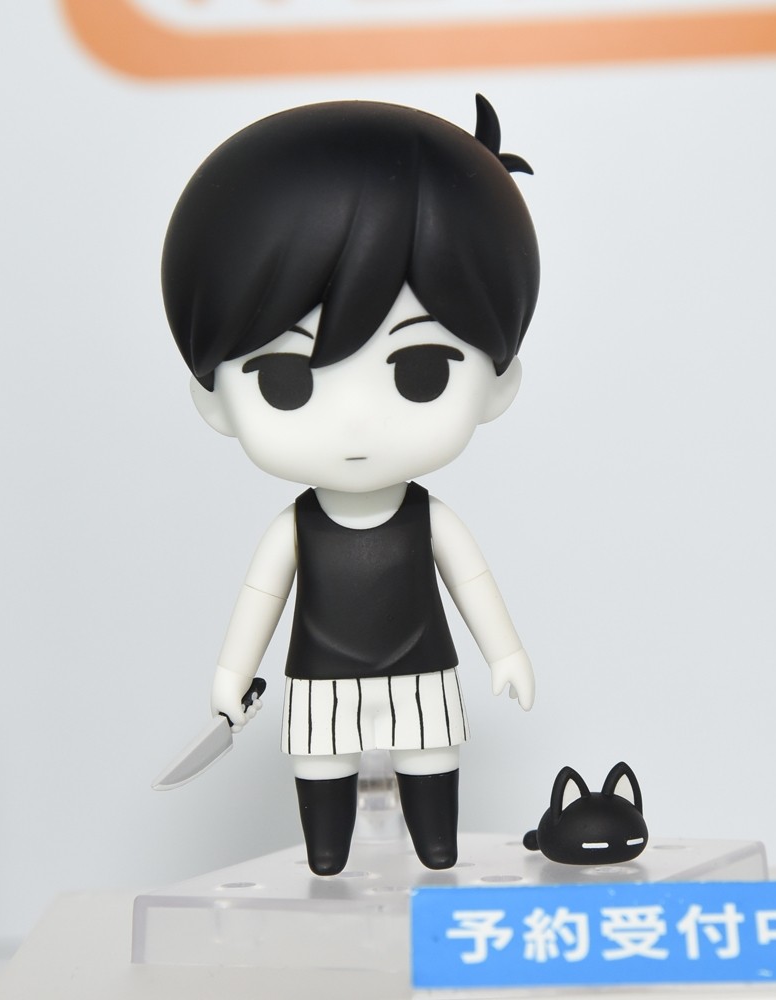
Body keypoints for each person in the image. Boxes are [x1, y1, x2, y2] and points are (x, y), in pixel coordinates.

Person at [162, 95, 540, 875]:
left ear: (498, 383)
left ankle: (434, 847)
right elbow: (262, 598)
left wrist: (504, 651)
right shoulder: (294, 530)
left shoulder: (429, 519)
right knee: (321, 772)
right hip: (318, 680)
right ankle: (327, 855)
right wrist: (232, 675)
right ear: (214, 401)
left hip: (423, 670)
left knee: (431, 759)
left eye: (420, 371)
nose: (356, 423)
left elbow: (471, 582)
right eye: (288, 381)